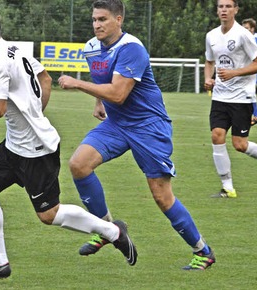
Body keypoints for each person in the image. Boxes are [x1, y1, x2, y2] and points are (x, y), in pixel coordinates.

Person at [0, 4, 136, 283]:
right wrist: (36, 112)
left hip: (36, 150)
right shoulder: (14, 50)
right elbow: (46, 77)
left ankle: (113, 232)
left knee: (49, 215)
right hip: (15, 145)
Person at [57, 0, 215, 271]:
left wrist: (76, 83)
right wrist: (97, 102)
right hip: (117, 124)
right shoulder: (91, 48)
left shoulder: (132, 49)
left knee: (161, 195)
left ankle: (203, 251)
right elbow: (102, 81)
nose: (97, 24)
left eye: (103, 19)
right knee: (78, 165)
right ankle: (108, 230)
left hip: (148, 127)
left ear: (119, 20)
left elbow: (118, 94)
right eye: (94, 19)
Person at [204, 0, 257, 199]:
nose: (223, 10)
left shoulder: (244, 35)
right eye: (220, 6)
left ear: (236, 10)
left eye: (228, 6)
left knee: (240, 144)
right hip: (220, 96)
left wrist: (235, 73)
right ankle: (228, 187)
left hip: (242, 98)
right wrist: (208, 78)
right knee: (217, 135)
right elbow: (209, 61)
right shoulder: (211, 35)